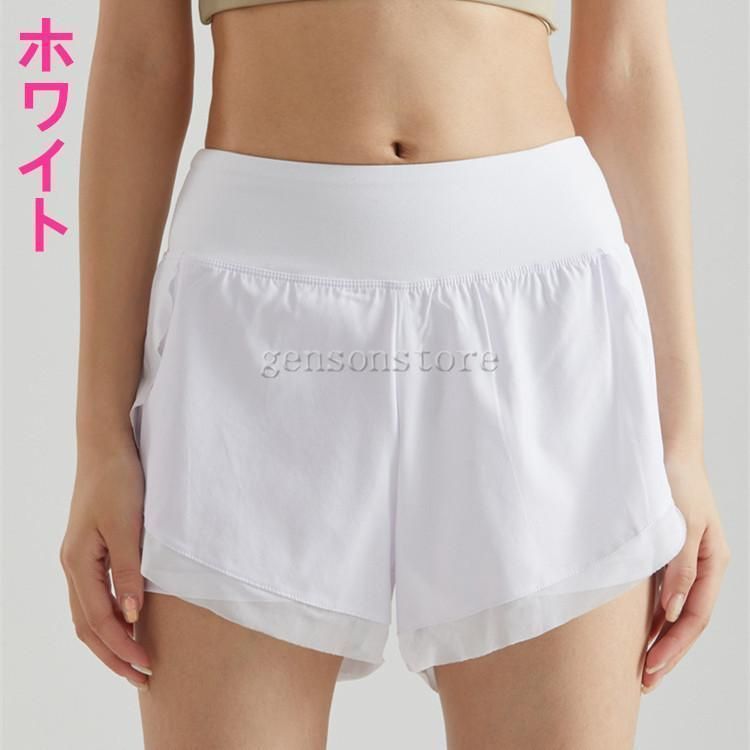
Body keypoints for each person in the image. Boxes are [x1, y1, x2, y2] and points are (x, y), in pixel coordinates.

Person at [60, 1, 730, 747]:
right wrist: (100, 438)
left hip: (538, 305)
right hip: (245, 311)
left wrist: (681, 439)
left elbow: (627, 64)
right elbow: (140, 63)